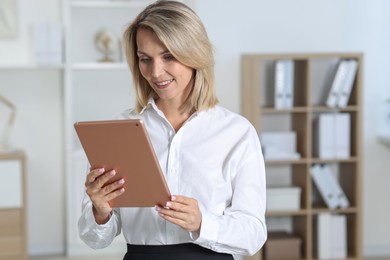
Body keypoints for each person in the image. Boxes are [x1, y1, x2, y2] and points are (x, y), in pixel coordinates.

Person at [78, 1, 267, 259]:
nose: (155, 72)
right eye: (145, 59)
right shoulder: (121, 131)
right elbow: (95, 239)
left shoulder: (236, 133)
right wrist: (100, 210)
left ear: (194, 53)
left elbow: (253, 234)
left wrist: (202, 223)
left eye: (168, 56)